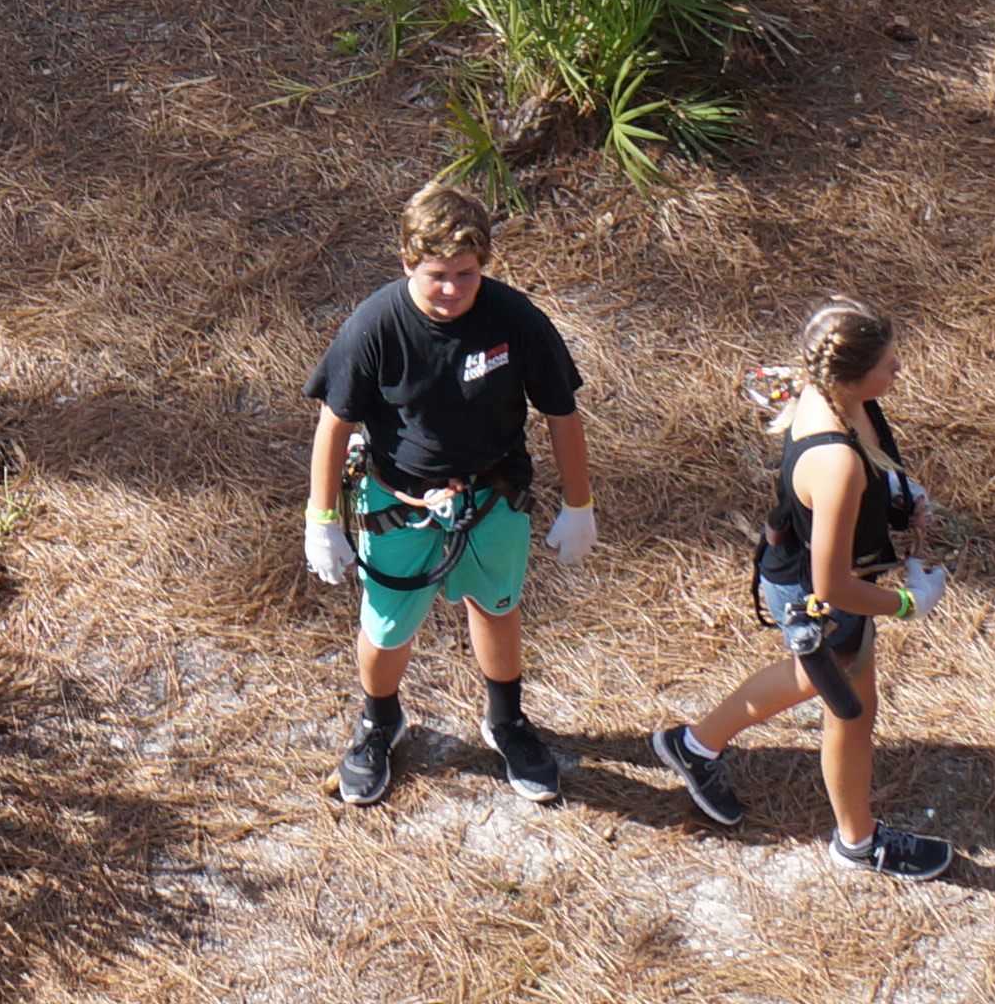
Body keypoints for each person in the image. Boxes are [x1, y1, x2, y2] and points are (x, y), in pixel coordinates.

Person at [301, 179, 598, 809]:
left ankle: (507, 722)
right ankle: (380, 723)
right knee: (385, 628)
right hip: (397, 505)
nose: (451, 290)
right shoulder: (375, 325)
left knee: (497, 608)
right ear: (408, 263)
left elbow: (561, 414)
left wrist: (580, 505)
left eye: (465, 274)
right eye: (437, 274)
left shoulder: (515, 320)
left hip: (491, 499)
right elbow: (336, 423)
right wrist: (320, 519)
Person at [646, 298, 956, 878]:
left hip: (807, 577)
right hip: (821, 600)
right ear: (846, 376)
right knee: (852, 711)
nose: (899, 372)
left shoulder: (822, 394)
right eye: (888, 364)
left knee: (809, 681)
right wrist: (910, 603)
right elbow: (832, 585)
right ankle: (859, 843)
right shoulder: (835, 463)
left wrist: (895, 491)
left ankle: (693, 747)